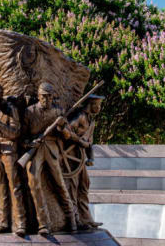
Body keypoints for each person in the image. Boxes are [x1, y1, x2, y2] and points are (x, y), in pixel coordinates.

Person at [23, 82, 77, 235]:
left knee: (60, 184)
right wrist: (30, 142)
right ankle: (43, 224)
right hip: (35, 150)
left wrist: (61, 127)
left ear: (53, 97)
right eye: (43, 96)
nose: (46, 100)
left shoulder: (58, 112)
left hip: (52, 150)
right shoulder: (29, 112)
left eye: (49, 97)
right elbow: (22, 137)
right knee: (34, 184)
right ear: (38, 96)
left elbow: (67, 136)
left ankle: (71, 219)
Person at [0, 84, 27, 237]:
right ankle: (4, 222)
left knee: (14, 187)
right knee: (0, 187)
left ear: (0, 95)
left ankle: (21, 223)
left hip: (9, 151)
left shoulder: (11, 110)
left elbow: (15, 133)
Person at [65, 95, 104, 230]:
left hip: (80, 159)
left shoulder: (91, 122)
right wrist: (79, 141)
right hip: (70, 158)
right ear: (91, 104)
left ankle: (86, 218)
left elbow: (89, 143)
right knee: (72, 188)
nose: (99, 108)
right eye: (97, 105)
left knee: (84, 186)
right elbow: (66, 131)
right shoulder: (79, 116)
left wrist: (91, 158)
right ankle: (75, 219)